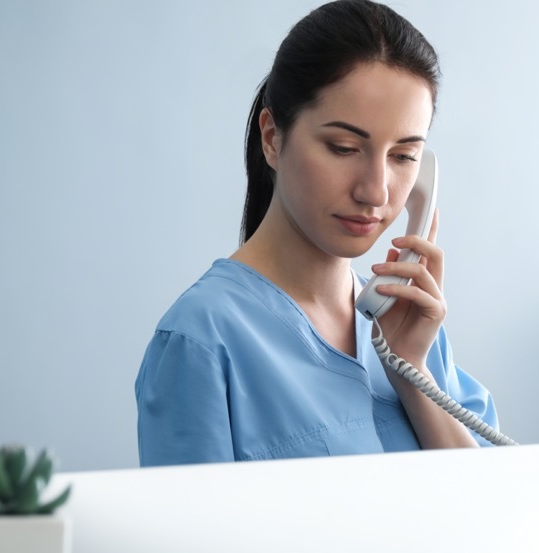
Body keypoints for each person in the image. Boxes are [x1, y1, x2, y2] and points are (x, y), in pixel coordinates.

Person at [135, 0, 498, 466]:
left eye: (404, 156)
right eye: (344, 148)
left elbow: (491, 511)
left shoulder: (409, 330)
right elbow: (186, 537)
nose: (375, 191)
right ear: (272, 138)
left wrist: (410, 372)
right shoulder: (201, 340)